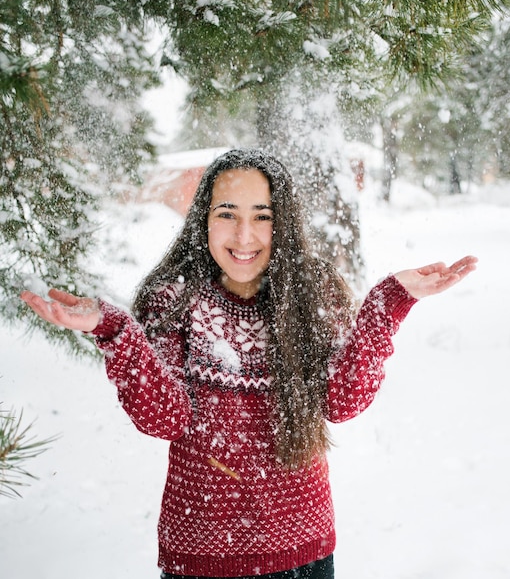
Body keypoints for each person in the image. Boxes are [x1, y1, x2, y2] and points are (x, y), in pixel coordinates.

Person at [20, 149, 477, 579]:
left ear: (284, 223)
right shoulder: (174, 298)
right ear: (204, 219)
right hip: (200, 558)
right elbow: (164, 417)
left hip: (304, 552)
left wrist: (388, 302)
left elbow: (342, 401)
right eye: (227, 215)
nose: (244, 236)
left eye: (262, 216)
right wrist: (115, 330)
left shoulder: (312, 292)